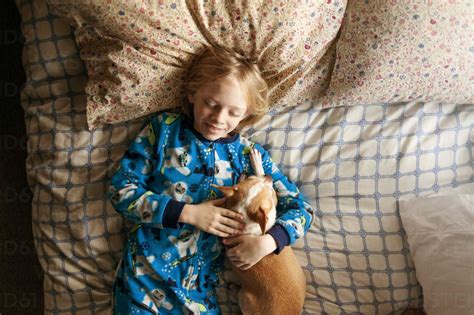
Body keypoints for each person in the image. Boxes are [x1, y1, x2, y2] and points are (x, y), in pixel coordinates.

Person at [108, 45, 314, 314]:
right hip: (142, 283)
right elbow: (121, 191)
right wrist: (188, 213)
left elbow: (302, 210)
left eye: (233, 112)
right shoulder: (163, 130)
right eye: (211, 104)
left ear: (247, 113)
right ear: (193, 94)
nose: (219, 118)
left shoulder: (250, 156)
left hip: (199, 296)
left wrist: (268, 243)